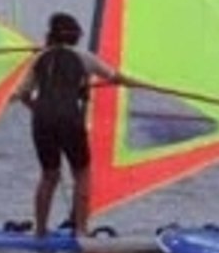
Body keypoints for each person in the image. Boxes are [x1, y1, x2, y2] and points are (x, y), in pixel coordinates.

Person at [14, 12, 138, 238]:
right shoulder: (84, 57)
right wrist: (135, 83)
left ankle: (40, 231)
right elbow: (114, 76)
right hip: (69, 119)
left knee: (49, 175)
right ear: (74, 37)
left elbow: (22, 94)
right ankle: (80, 230)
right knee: (81, 173)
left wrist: (38, 109)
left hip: (42, 121)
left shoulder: (39, 58)